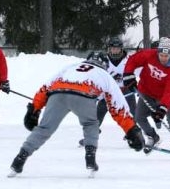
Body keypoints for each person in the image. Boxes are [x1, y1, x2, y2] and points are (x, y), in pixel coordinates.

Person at [8, 51, 144, 177]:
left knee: (44, 128)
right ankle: (90, 158)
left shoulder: (70, 67)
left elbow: (46, 87)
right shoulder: (104, 75)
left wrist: (34, 109)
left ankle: (20, 158)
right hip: (84, 94)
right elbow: (117, 107)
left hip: (58, 94)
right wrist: (131, 131)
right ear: (105, 65)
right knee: (91, 124)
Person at [123, 36, 170, 154]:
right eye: (161, 55)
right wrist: (128, 74)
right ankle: (153, 136)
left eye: (166, 56)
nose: (163, 58)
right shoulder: (149, 55)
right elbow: (133, 60)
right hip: (146, 92)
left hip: (163, 97)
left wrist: (162, 108)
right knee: (139, 117)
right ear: (158, 52)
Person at [77, 37, 136, 146]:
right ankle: (90, 137)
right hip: (108, 92)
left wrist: (134, 84)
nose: (114, 51)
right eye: (112, 48)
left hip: (125, 91)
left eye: (117, 49)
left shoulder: (128, 60)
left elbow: (135, 73)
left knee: (133, 114)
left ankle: (134, 136)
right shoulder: (104, 60)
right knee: (98, 115)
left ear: (121, 49)